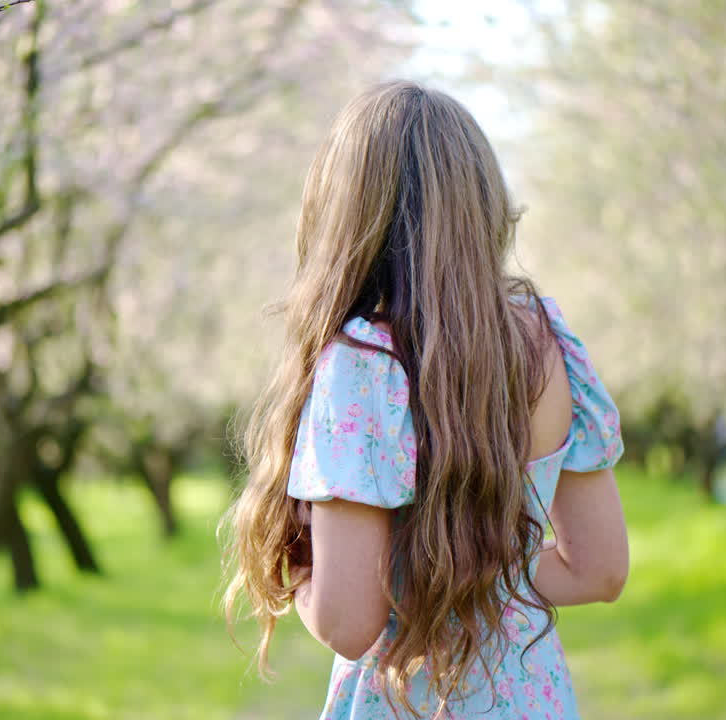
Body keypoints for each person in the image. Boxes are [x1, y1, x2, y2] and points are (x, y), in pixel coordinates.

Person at [221, 81, 628, 719]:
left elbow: (351, 622)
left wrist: (299, 577)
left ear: (345, 216)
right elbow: (599, 571)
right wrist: (479, 579)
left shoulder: (364, 365)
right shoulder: (549, 344)